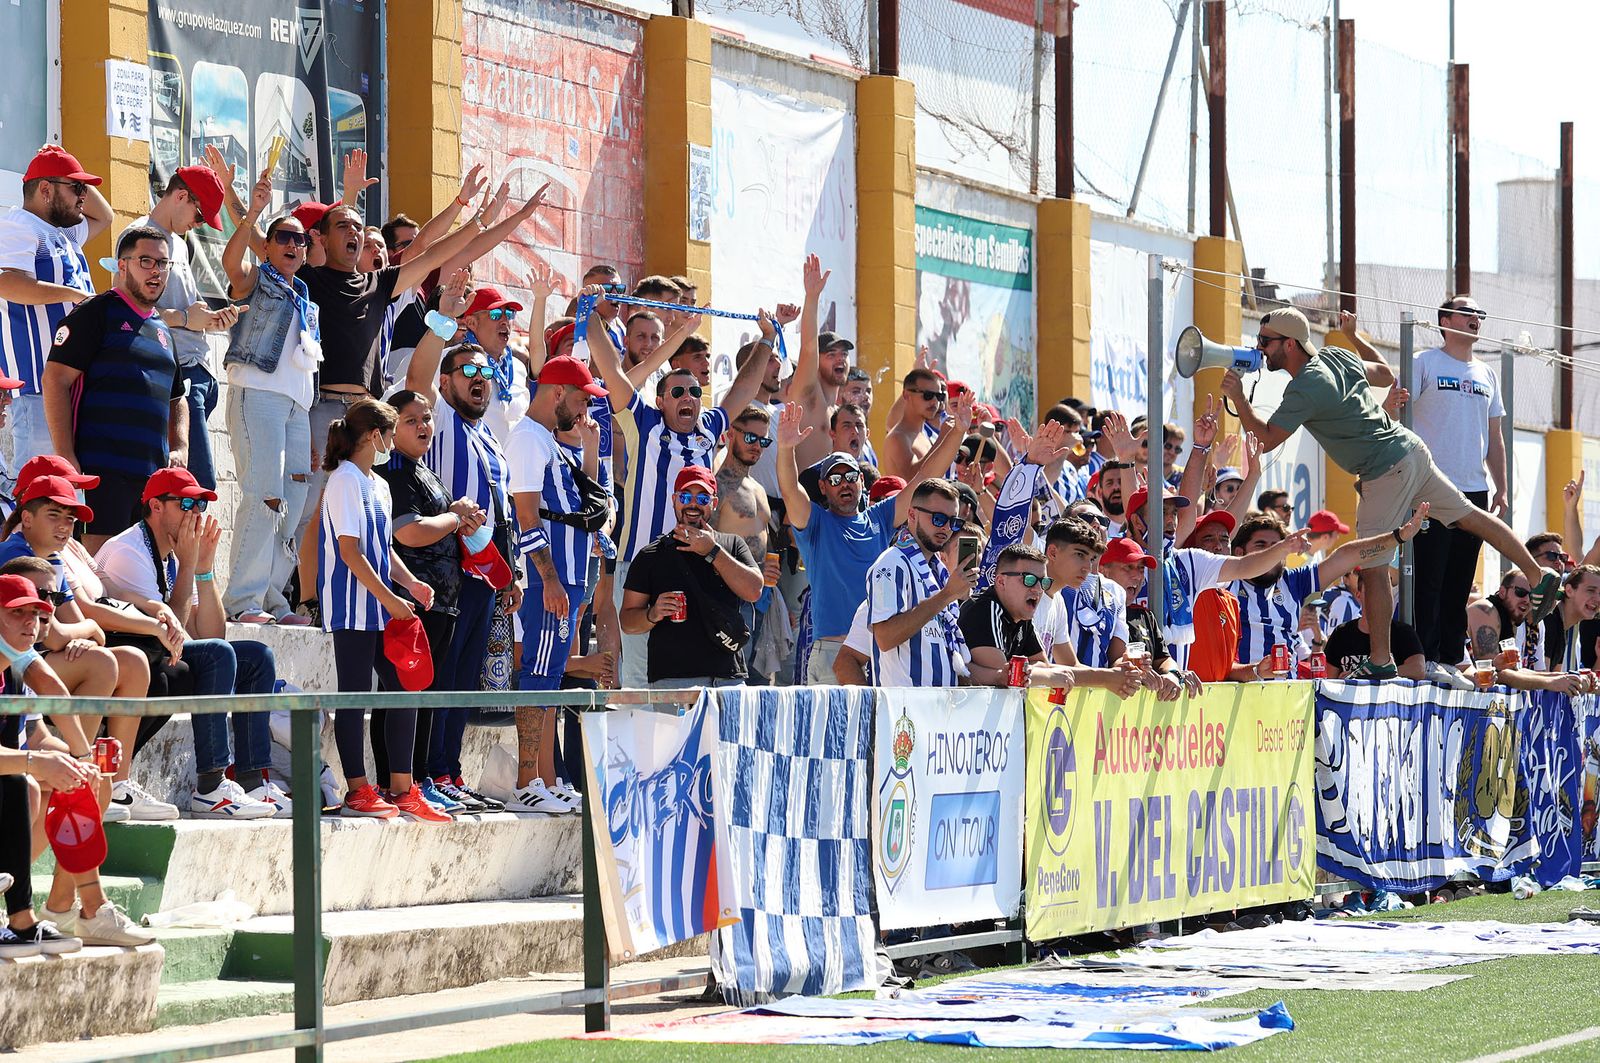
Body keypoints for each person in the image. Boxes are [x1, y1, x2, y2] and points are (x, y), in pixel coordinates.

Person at [1221, 306, 1558, 679]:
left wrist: (1238, 397)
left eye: (1265, 342)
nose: (1259, 348)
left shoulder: (1304, 386)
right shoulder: (1335, 356)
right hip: (1411, 450)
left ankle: (1381, 659)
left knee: (1374, 564)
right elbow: (1383, 372)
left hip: (1384, 469)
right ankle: (1536, 572)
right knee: (1473, 517)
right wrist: (1353, 338)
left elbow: (1266, 440)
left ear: (1288, 344)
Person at [586, 280, 768, 690]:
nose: (689, 397)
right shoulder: (643, 422)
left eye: (694, 392)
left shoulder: (708, 430)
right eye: (678, 392)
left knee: (696, 677)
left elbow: (744, 388)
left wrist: (768, 341)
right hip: (641, 566)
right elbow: (609, 366)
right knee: (638, 680)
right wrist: (595, 314)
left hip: (698, 563)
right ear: (662, 400)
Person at [96, 468, 287, 817]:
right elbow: (174, 633)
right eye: (185, 503)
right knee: (216, 656)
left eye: (200, 504)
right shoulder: (129, 551)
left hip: (160, 656)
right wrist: (187, 567)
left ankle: (251, 780)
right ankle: (212, 785)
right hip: (131, 663)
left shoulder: (172, 552)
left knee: (256, 656)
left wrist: (203, 569)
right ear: (155, 505)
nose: (195, 512)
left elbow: (211, 632)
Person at [405, 271, 524, 800]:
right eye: (467, 367)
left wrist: (512, 572)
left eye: (485, 371)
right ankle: (428, 774)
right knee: (443, 673)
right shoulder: (444, 422)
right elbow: (420, 371)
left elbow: (505, 510)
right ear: (449, 383)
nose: (479, 376)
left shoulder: (488, 435)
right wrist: (445, 320)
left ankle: (449, 773)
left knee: (465, 678)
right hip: (448, 571)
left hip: (487, 573)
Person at [778, 395, 970, 683]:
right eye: (833, 479)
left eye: (850, 476)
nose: (843, 484)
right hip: (834, 653)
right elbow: (791, 490)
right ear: (822, 487)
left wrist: (958, 431)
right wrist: (785, 449)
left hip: (881, 653)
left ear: (861, 482)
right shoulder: (816, 523)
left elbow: (925, 478)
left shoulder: (879, 517)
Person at [318, 398, 444, 822]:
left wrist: (409, 582)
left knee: (405, 687)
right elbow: (350, 552)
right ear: (376, 436)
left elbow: (381, 548)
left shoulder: (379, 485)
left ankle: (402, 788)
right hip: (352, 606)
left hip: (379, 606)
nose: (392, 443)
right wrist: (391, 599)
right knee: (354, 693)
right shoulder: (344, 480)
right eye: (390, 434)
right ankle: (357, 789)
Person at [375, 390, 494, 814]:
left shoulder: (424, 470)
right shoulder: (393, 471)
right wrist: (455, 516)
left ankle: (422, 780)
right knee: (403, 695)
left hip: (442, 603)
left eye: (427, 418)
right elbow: (408, 532)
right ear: (391, 428)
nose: (424, 426)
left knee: (426, 693)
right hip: (412, 602)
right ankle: (396, 782)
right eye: (412, 420)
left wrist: (460, 518)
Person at [41, 225, 186, 552]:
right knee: (101, 574)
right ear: (122, 266)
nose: (156, 272)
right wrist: (65, 454)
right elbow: (54, 380)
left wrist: (181, 447)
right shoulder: (95, 313)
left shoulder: (162, 329)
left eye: (163, 264)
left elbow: (178, 398)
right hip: (102, 473)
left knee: (143, 577)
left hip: (152, 481)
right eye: (145, 261)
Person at [220, 167, 321, 624]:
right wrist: (252, 211)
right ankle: (242, 602)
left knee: (294, 505)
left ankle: (273, 599)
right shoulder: (256, 280)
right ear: (268, 244)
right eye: (283, 238)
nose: (293, 246)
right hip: (256, 395)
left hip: (296, 407)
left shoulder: (304, 296)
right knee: (263, 495)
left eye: (301, 240)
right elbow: (230, 263)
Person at [509, 355, 606, 814]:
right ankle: (527, 782)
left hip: (565, 580)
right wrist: (548, 580)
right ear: (559, 393)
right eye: (584, 399)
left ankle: (546, 777)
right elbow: (526, 515)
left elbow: (579, 501)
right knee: (537, 678)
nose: (586, 410)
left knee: (548, 678)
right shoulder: (528, 439)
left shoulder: (546, 440)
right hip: (547, 583)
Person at [1398, 296, 1507, 663]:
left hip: (1474, 489)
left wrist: (1502, 487)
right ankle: (1424, 657)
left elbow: (1494, 436)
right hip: (1431, 485)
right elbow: (1396, 414)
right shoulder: (1423, 361)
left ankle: (1449, 657)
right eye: (1467, 312)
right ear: (1445, 319)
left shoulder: (1487, 374)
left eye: (1480, 313)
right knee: (1429, 577)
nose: (1475, 318)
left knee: (1460, 580)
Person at [120, 165, 241, 490]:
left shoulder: (176, 243)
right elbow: (127, 310)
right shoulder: (141, 238)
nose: (197, 225)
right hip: (175, 377)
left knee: (183, 490)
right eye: (199, 216)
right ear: (181, 196)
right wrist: (188, 319)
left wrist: (212, 320)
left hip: (193, 373)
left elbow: (180, 311)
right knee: (197, 488)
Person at [0, 146, 112, 470]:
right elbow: (7, 283)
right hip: (35, 389)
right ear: (45, 190)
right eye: (76, 188)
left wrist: (68, 166)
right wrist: (75, 296)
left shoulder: (64, 231)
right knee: (37, 497)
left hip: (69, 390)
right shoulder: (19, 225)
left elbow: (105, 216)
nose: (83, 196)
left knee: (66, 500)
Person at [1227, 506, 1430, 671]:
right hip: (1238, 694)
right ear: (1238, 552)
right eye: (1261, 545)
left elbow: (1345, 556)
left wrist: (1397, 537)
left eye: (1277, 546)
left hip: (1286, 700)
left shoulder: (1293, 581)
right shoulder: (1226, 583)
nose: (1272, 552)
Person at [621, 466, 763, 688]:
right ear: (674, 500)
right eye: (686, 496)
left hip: (727, 679)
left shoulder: (731, 545)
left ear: (713, 503)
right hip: (674, 680)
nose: (693, 504)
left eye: (702, 497)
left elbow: (754, 590)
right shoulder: (651, 555)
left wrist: (712, 551)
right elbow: (627, 622)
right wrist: (653, 613)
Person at [867, 478, 973, 687]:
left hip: (939, 708)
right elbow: (885, 637)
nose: (946, 528)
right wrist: (946, 595)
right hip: (904, 711)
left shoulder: (940, 573)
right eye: (938, 518)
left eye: (953, 521)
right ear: (912, 515)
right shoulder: (891, 564)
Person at [713, 405, 781, 676]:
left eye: (763, 441)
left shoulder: (758, 488)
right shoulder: (719, 485)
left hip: (763, 597)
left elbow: (761, 537)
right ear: (731, 434)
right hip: (730, 596)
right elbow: (707, 542)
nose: (757, 447)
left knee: (760, 685)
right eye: (750, 438)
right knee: (734, 678)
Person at [958, 543, 1075, 688]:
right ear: (1001, 582)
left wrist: (1032, 672)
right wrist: (1049, 677)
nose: (1038, 590)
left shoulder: (1020, 613)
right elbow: (1008, 678)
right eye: (1029, 580)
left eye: (1044, 582)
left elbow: (1042, 663)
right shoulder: (983, 609)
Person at [1323, 577, 1426, 680]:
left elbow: (1418, 669)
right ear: (1358, 595)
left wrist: (1367, 675)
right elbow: (1327, 678)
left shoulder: (1402, 632)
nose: (1379, 596)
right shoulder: (1342, 633)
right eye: (1372, 591)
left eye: (1385, 591)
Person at [1465, 571, 1542, 671]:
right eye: (1520, 592)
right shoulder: (1486, 610)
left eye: (1532, 596)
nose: (1527, 600)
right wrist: (1548, 682)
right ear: (1502, 592)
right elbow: (1491, 673)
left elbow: (1513, 670)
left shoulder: (1512, 618)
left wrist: (1553, 678)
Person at [881, 368, 946, 479]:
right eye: (928, 395)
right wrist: (943, 439)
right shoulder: (898, 437)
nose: (935, 402)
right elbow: (913, 480)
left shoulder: (924, 436)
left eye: (939, 397)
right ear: (906, 395)